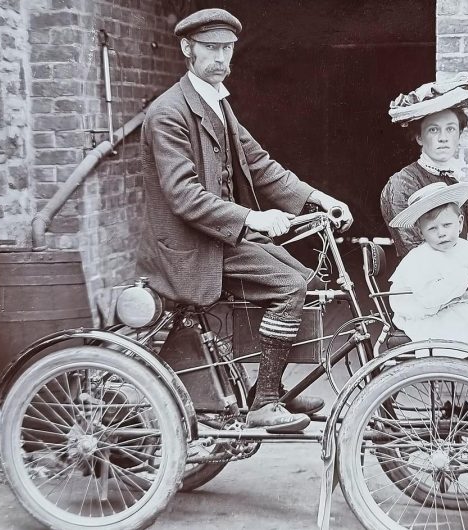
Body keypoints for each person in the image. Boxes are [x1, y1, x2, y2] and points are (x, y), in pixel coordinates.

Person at [136, 8, 353, 433]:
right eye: (211, 48)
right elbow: (184, 196)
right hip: (191, 247)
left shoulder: (217, 104)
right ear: (187, 49)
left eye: (227, 49)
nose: (220, 58)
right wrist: (253, 217)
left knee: (304, 279)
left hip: (217, 239)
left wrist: (317, 199)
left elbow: (261, 166)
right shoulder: (169, 112)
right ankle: (265, 402)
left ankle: (267, 388)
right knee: (287, 285)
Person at [386, 182, 468, 349]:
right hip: (423, 314)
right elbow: (428, 299)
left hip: (452, 305)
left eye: (447, 225)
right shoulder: (419, 258)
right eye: (432, 229)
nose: (441, 233)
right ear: (420, 232)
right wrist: (462, 278)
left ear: (460, 222)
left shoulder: (466, 249)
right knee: (467, 316)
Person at [381, 73, 468, 257]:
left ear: (459, 134)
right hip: (424, 281)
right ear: (419, 137)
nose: (443, 138)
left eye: (450, 129)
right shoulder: (402, 183)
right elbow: (415, 253)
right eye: (433, 130)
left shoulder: (452, 181)